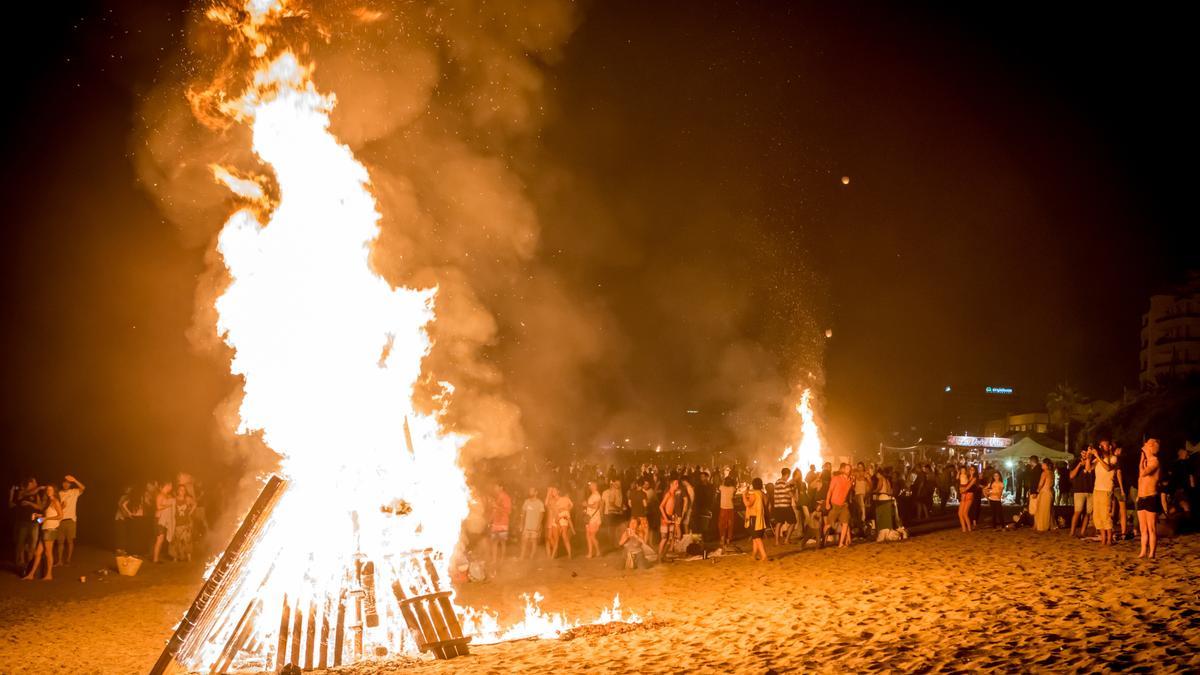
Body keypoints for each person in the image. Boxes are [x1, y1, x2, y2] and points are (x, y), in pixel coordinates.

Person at [22, 485, 62, 581]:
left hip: (50, 529)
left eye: (50, 489)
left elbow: (60, 515)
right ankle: (31, 575)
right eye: (47, 489)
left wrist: (46, 518)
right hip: (45, 528)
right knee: (37, 553)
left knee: (48, 553)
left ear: (54, 491)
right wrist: (38, 516)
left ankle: (49, 575)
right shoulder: (48, 502)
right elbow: (46, 515)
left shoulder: (55, 501)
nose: (48, 491)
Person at [1136, 439, 1161, 559]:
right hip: (1141, 498)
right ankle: (1143, 551)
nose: (1144, 447)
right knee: (1143, 528)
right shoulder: (1145, 461)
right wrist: (1137, 496)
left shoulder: (1155, 461)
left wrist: (1143, 459)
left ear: (1151, 447)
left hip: (1151, 497)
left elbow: (1144, 473)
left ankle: (1152, 553)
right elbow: (1140, 480)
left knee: (1151, 528)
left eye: (1146, 445)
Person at [55, 475, 84, 566]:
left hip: (71, 520)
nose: (66, 484)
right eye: (64, 482)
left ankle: (68, 559)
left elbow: (83, 488)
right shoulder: (59, 493)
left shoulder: (74, 492)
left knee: (70, 541)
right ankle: (59, 561)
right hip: (60, 520)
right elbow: (55, 507)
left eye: (68, 483)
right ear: (62, 483)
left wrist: (75, 480)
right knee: (60, 542)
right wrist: (61, 507)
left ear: (70, 484)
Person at [11, 478, 40, 569]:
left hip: (34, 523)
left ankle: (30, 562)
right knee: (21, 544)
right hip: (23, 523)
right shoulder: (22, 493)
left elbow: (39, 507)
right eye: (32, 482)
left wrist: (30, 503)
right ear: (28, 484)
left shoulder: (36, 495)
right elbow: (21, 497)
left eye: (34, 482)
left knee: (32, 544)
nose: (34, 483)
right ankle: (19, 562)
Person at [1091, 444, 1117, 546]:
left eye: (1104, 445)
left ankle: (1109, 539)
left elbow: (1108, 468)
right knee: (1097, 516)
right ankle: (1103, 538)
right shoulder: (1098, 459)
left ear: (1109, 447)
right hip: (1096, 489)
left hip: (1106, 489)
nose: (1101, 447)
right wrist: (1089, 457)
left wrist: (1097, 456)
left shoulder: (1113, 458)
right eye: (1100, 445)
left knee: (1105, 514)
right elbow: (1089, 469)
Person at [826, 463, 854, 548]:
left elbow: (850, 492)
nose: (848, 471)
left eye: (849, 469)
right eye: (846, 469)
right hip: (835, 504)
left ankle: (841, 543)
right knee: (829, 524)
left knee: (845, 523)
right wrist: (827, 502)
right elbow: (830, 490)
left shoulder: (850, 481)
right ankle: (822, 538)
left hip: (843, 505)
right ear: (843, 470)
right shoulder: (836, 478)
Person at [1069, 451, 1094, 538]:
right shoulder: (1076, 462)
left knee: (1087, 513)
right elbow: (1071, 476)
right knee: (1077, 512)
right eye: (1084, 453)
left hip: (1091, 491)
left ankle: (1082, 532)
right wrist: (1079, 465)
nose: (1085, 454)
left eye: (1087, 453)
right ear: (1080, 453)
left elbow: (1090, 471)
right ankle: (1072, 532)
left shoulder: (1093, 461)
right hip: (1079, 490)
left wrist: (1089, 461)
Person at [743, 477, 768, 561]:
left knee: (757, 537)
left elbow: (747, 504)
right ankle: (754, 555)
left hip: (754, 518)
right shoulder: (763, 494)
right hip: (762, 517)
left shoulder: (754, 494)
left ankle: (763, 555)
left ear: (753, 485)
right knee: (755, 537)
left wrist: (744, 495)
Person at [658, 479, 681, 560]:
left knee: (670, 538)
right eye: (676, 483)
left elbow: (672, 507)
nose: (677, 485)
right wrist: (665, 518)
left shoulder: (674, 494)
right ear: (671, 485)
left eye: (678, 483)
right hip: (665, 518)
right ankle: (659, 557)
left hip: (671, 517)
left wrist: (674, 516)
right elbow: (661, 506)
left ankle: (663, 556)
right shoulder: (668, 494)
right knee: (664, 538)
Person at [772, 468, 796, 545]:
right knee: (793, 522)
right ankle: (786, 540)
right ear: (787, 474)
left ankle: (776, 542)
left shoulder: (777, 482)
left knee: (779, 523)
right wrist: (794, 491)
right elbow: (790, 494)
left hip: (777, 506)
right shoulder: (785, 483)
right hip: (785, 506)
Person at [153, 482, 176, 563]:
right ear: (167, 485)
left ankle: (156, 559)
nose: (171, 487)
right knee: (159, 539)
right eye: (171, 485)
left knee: (161, 540)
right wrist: (169, 506)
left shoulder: (166, 495)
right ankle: (155, 559)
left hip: (163, 520)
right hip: (159, 519)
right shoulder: (160, 495)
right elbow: (158, 507)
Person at [489, 484, 512, 564]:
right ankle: (494, 560)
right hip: (495, 523)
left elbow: (508, 512)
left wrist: (497, 507)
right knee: (494, 542)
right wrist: (490, 520)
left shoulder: (506, 498)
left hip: (503, 523)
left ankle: (502, 559)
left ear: (501, 487)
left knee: (502, 542)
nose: (494, 488)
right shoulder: (497, 497)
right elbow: (494, 510)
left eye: (496, 486)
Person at [519, 488, 544, 559]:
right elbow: (522, 513)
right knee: (524, 541)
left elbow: (541, 515)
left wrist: (538, 525)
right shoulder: (526, 502)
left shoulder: (540, 503)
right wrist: (521, 523)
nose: (530, 492)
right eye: (530, 491)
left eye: (532, 491)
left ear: (536, 492)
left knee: (534, 542)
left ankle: (531, 557)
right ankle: (521, 556)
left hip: (535, 526)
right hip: (527, 526)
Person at [602, 479, 625, 552]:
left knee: (618, 529)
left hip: (617, 512)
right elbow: (611, 503)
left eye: (619, 484)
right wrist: (620, 508)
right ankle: (614, 545)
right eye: (617, 484)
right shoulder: (612, 492)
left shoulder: (619, 491)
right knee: (614, 530)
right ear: (614, 484)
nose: (618, 485)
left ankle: (617, 545)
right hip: (613, 513)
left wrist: (622, 507)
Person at [551, 488, 574, 560]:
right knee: (556, 540)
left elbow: (571, 505)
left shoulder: (565, 499)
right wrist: (557, 521)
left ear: (558, 491)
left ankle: (570, 555)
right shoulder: (553, 501)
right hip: (556, 520)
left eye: (554, 491)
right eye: (552, 491)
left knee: (564, 536)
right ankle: (552, 557)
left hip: (563, 519)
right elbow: (555, 513)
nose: (553, 492)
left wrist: (566, 509)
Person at [584, 481, 603, 559]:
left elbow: (596, 506)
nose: (590, 487)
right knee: (588, 535)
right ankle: (590, 553)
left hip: (594, 518)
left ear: (595, 486)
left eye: (591, 485)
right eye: (589, 486)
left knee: (592, 535)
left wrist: (586, 505)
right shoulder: (592, 495)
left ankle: (598, 551)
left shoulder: (597, 495)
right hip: (590, 518)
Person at [717, 475, 736, 548]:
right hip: (730, 507)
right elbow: (734, 491)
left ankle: (722, 538)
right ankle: (728, 539)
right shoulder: (733, 488)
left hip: (723, 508)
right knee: (730, 524)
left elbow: (719, 486)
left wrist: (723, 481)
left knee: (722, 524)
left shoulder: (721, 487)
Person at [1034, 459, 1054, 531]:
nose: (1041, 465)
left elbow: (1041, 484)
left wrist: (1037, 491)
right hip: (1049, 493)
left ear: (1046, 465)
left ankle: (1042, 526)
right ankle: (1048, 525)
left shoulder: (1044, 473)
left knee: (1042, 510)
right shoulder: (1052, 473)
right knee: (1048, 510)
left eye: (1043, 464)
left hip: (1044, 493)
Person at [957, 467, 976, 533]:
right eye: (970, 469)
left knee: (965, 513)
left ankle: (969, 528)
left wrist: (962, 490)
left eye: (973, 470)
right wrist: (961, 490)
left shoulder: (974, 479)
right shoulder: (967, 477)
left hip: (969, 496)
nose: (971, 471)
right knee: (960, 513)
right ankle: (964, 529)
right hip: (963, 495)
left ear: (975, 471)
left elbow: (968, 487)